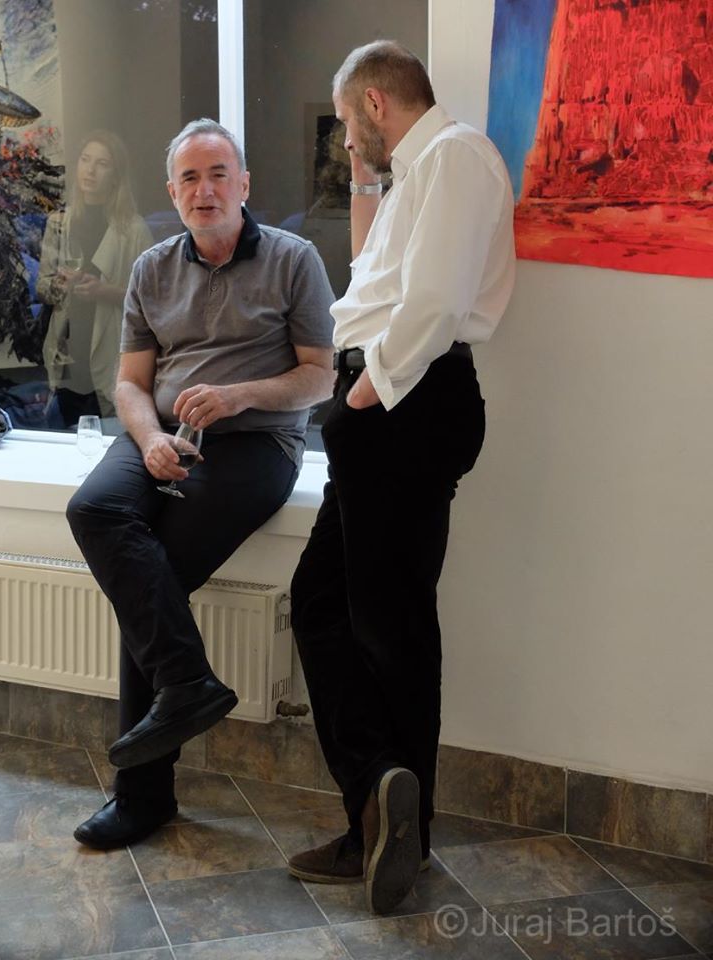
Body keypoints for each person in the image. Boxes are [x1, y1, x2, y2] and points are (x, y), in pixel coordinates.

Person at [287, 41, 515, 915]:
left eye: (350, 125)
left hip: (404, 405)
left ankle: (389, 827)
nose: (349, 143)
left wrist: (363, 396)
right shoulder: (418, 173)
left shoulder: (455, 156)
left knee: (392, 628)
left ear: (377, 105)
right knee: (325, 604)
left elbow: (433, 304)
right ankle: (381, 799)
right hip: (387, 405)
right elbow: (375, 287)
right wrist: (356, 396)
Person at [67, 118, 335, 849]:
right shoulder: (152, 268)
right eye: (190, 177)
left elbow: (319, 376)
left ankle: (141, 796)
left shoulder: (294, 259)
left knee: (152, 577)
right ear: (172, 192)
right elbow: (130, 384)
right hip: (163, 434)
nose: (205, 189)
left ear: (244, 184)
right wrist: (151, 438)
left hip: (256, 443)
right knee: (94, 509)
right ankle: (188, 683)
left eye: (218, 174)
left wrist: (238, 396)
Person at [37, 130, 153, 426]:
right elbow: (43, 288)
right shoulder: (59, 222)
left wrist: (105, 292)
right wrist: (60, 285)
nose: (90, 170)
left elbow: (153, 301)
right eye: (85, 160)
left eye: (102, 163)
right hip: (68, 350)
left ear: (116, 175)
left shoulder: (134, 229)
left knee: (110, 436)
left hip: (111, 350)